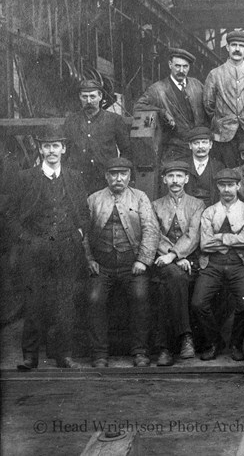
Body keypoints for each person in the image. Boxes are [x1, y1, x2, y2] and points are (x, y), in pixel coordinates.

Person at [8, 125, 88, 370]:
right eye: (46, 146)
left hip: (67, 247)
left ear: (63, 149)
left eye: (55, 146)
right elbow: (10, 214)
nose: (51, 151)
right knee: (34, 301)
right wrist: (26, 238)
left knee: (65, 303)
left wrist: (79, 232)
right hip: (36, 248)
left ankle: (63, 355)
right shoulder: (25, 178)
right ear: (40, 149)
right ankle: (30, 357)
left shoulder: (75, 177)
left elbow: (83, 212)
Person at [86, 157, 159, 368]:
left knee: (140, 297)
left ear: (129, 176)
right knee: (94, 299)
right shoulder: (94, 199)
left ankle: (140, 352)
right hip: (103, 266)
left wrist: (143, 261)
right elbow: (83, 234)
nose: (118, 179)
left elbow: (151, 230)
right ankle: (99, 354)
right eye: (114, 174)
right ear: (106, 176)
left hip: (132, 265)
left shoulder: (140, 198)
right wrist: (90, 259)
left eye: (123, 174)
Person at [192, 168, 244, 362]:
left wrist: (220, 237)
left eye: (231, 185)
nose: (227, 189)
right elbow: (205, 243)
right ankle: (214, 342)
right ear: (218, 187)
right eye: (223, 185)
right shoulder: (209, 212)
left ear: (238, 186)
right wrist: (234, 238)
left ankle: (236, 343)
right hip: (212, 264)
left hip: (239, 264)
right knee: (198, 303)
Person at [152, 161, 205, 366]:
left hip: (188, 260)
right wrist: (173, 256)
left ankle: (164, 348)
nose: (175, 181)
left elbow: (193, 235)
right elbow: (154, 234)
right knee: (175, 276)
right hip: (163, 259)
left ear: (187, 179)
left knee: (171, 284)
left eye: (179, 176)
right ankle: (185, 337)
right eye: (171, 176)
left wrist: (176, 255)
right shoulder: (155, 205)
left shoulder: (196, 204)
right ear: (164, 179)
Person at [134, 48, 208, 161]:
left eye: (185, 66)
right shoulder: (157, 89)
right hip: (173, 148)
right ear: (170, 65)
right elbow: (138, 107)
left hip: (197, 146)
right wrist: (161, 112)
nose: (181, 70)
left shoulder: (197, 85)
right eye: (177, 66)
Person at [63, 79, 132, 193]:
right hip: (77, 180)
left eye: (92, 96)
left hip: (105, 181)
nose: (89, 101)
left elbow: (126, 151)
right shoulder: (71, 121)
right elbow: (65, 151)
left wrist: (117, 173)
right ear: (79, 97)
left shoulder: (114, 120)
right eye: (84, 97)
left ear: (100, 96)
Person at [203, 30, 244, 168]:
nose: (237, 49)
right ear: (227, 47)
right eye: (234, 45)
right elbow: (208, 104)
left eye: (241, 45)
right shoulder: (215, 74)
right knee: (226, 172)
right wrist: (221, 120)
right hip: (223, 135)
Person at [184, 127, 225, 208]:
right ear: (190, 145)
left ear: (210, 145)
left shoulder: (219, 167)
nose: (201, 146)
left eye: (204, 142)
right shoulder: (183, 166)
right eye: (196, 143)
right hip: (187, 211)